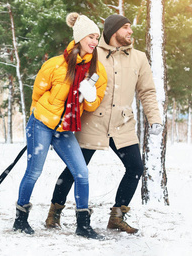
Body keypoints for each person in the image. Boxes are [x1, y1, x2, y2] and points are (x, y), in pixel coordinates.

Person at [47, 14, 163, 234]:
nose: (130, 31)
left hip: (122, 124)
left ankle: (117, 217)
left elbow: (146, 91)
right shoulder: (92, 52)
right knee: (76, 169)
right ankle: (54, 212)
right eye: (126, 27)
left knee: (135, 168)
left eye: (130, 27)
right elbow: (68, 79)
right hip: (92, 122)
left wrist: (154, 118)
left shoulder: (139, 58)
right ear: (113, 31)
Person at [13, 12, 108, 239]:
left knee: (82, 173)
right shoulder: (55, 65)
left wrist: (90, 95)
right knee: (34, 171)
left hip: (66, 127)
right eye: (91, 37)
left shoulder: (97, 71)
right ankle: (20, 219)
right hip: (43, 124)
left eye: (97, 38)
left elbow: (93, 105)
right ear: (79, 37)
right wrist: (37, 122)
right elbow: (37, 94)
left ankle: (83, 225)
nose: (95, 42)